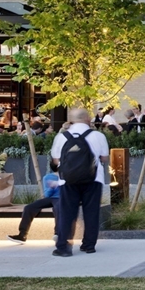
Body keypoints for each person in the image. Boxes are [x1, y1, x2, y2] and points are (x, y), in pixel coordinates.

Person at [50, 107, 109, 257]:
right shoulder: (98, 136)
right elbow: (104, 158)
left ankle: (63, 246)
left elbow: (56, 160)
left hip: (67, 180)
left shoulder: (62, 137)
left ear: (71, 120)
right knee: (91, 212)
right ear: (88, 120)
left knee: (67, 213)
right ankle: (88, 245)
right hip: (93, 179)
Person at [7, 160, 61, 244]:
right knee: (29, 208)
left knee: (58, 208)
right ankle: (22, 235)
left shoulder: (68, 177)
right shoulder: (47, 177)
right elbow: (47, 194)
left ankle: (58, 234)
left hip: (63, 198)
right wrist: (52, 186)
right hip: (50, 198)